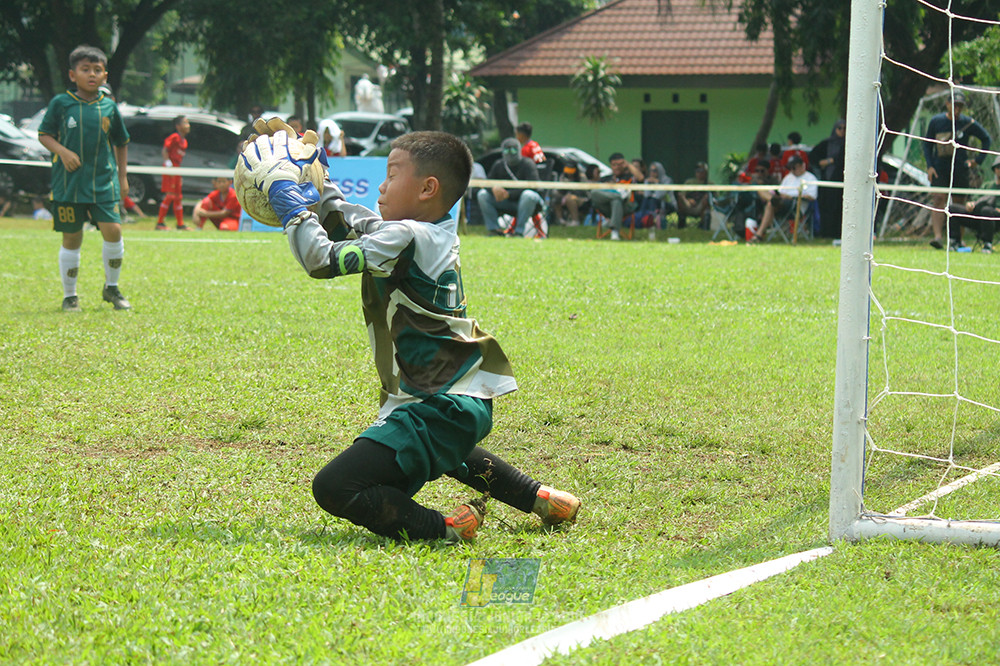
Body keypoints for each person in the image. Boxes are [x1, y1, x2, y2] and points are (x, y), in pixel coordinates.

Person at [240, 128, 581, 542]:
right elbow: (352, 222)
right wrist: (317, 177)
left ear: (427, 188)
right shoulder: (431, 231)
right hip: (456, 400)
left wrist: (290, 201)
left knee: (335, 486)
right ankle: (544, 499)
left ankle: (445, 529)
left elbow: (320, 259)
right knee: (439, 448)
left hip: (439, 403)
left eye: (391, 175)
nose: (381, 187)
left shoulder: (404, 236)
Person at [37, 44, 131, 311]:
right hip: (70, 183)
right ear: (72, 74)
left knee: (113, 231)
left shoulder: (109, 107)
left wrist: (122, 176)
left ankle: (112, 288)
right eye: (85, 69)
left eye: (97, 70)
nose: (92, 74)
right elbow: (44, 135)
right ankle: (70, 296)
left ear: (105, 76)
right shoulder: (61, 103)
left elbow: (121, 141)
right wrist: (63, 152)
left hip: (104, 182)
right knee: (72, 237)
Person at [922, 91, 992, 249]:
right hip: (939, 168)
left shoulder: (967, 123)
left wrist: (977, 161)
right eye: (954, 105)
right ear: (947, 104)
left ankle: (957, 239)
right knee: (938, 199)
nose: (957, 109)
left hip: (960, 168)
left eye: (960, 106)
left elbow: (986, 139)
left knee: (959, 204)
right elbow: (927, 145)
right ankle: (938, 237)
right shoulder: (936, 121)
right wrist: (930, 166)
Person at [477, 137, 544, 236]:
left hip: (528, 203)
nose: (510, 153)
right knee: (482, 195)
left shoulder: (528, 164)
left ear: (519, 150)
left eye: (513, 150)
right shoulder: (499, 164)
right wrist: (494, 189)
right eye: (506, 150)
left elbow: (534, 186)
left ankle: (519, 232)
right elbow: (487, 183)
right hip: (505, 202)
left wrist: (509, 194)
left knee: (528, 195)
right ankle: (494, 230)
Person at [751, 155, 818, 242]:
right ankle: (772, 199)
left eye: (794, 167)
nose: (792, 170)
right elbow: (781, 191)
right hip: (781, 202)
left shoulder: (811, 178)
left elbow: (812, 197)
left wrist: (792, 196)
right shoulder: (788, 177)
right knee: (762, 191)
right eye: (790, 168)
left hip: (796, 205)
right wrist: (782, 196)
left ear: (802, 166)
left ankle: (759, 234)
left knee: (770, 204)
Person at [945, 153, 999, 253]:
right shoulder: (987, 185)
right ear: (994, 169)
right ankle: (954, 242)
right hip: (978, 215)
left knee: (987, 210)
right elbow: (976, 198)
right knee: (952, 209)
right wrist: (970, 204)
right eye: (998, 167)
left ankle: (987, 244)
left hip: (995, 219)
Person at [589, 152, 643, 240]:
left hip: (626, 206)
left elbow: (641, 178)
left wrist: (627, 164)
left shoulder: (629, 177)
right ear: (611, 166)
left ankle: (614, 231)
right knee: (594, 192)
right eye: (614, 165)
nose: (617, 167)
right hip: (606, 207)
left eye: (619, 164)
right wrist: (607, 186)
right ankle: (619, 196)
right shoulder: (606, 178)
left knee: (616, 202)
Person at [810, 120, 846, 238]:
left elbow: (842, 159)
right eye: (839, 128)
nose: (842, 131)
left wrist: (831, 161)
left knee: (841, 207)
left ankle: (839, 233)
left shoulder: (848, 144)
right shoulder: (827, 143)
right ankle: (826, 233)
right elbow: (813, 156)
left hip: (842, 181)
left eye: (844, 128)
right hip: (827, 180)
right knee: (827, 207)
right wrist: (822, 163)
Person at [156, 114, 191, 231]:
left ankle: (180, 224)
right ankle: (160, 223)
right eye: (185, 123)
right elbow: (165, 150)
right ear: (178, 126)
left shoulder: (184, 141)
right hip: (170, 168)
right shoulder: (174, 137)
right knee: (169, 195)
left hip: (177, 169)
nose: (188, 125)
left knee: (178, 197)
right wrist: (167, 163)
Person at [637, 161, 676, 233]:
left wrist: (657, 183)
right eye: (651, 170)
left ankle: (651, 222)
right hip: (655, 203)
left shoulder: (667, 180)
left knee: (652, 200)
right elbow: (646, 195)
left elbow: (659, 195)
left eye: (655, 171)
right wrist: (647, 183)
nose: (652, 173)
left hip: (668, 204)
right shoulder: (649, 180)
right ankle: (642, 220)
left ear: (659, 171)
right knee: (646, 200)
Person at [676, 162, 711, 229]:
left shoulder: (710, 184)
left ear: (706, 172)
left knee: (706, 198)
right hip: (688, 205)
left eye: (702, 171)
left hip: (701, 206)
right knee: (679, 196)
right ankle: (681, 225)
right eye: (697, 170)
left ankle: (702, 224)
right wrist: (688, 200)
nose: (699, 173)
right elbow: (682, 194)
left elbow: (715, 199)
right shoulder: (689, 182)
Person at [552, 158, 585, 226]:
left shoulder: (581, 177)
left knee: (569, 198)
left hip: (581, 198)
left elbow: (583, 192)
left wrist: (572, 186)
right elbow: (559, 191)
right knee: (556, 196)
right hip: (565, 196)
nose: (569, 173)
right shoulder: (563, 177)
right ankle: (560, 220)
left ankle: (575, 221)